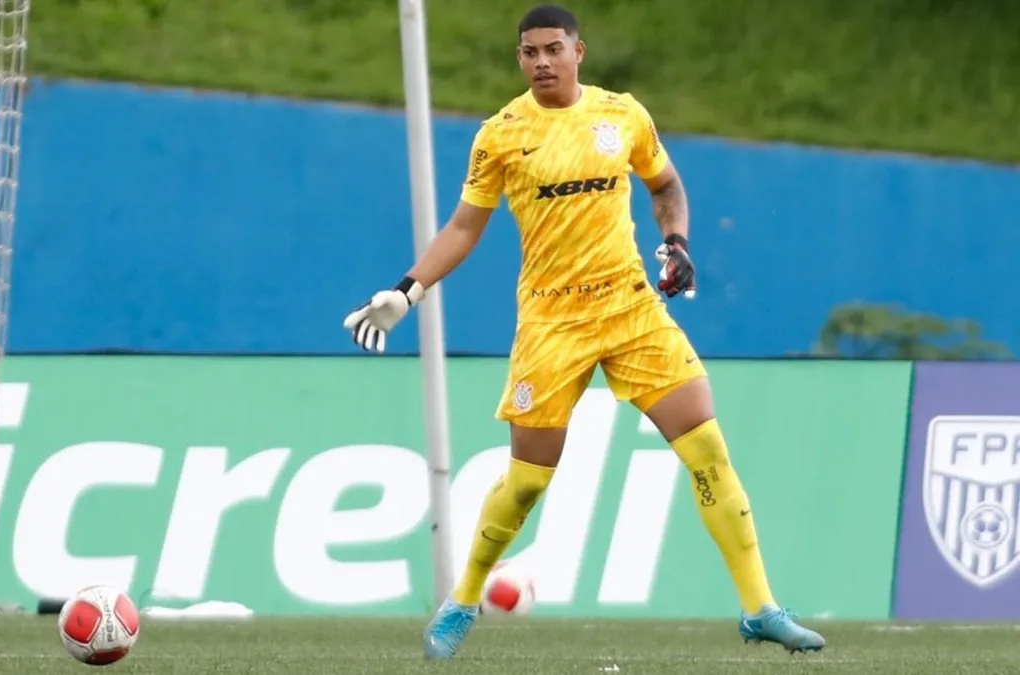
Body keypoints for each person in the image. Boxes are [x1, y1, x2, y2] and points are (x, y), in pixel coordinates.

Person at [341, 2, 826, 661]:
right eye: (529, 52)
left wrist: (677, 243)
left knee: (707, 447)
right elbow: (463, 226)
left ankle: (760, 606)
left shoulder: (622, 115)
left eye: (552, 49)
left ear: (578, 52)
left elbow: (666, 186)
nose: (541, 60)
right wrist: (408, 289)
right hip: (551, 321)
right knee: (528, 481)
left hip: (630, 310)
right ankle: (461, 600)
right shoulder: (501, 135)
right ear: (520, 60)